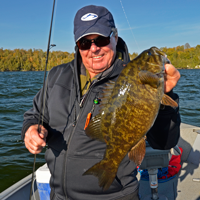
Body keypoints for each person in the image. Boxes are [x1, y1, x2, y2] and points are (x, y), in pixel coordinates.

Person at [22, 5, 181, 200]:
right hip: (59, 195)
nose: (94, 48)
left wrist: (167, 96)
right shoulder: (57, 76)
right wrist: (31, 128)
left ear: (115, 37)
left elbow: (165, 142)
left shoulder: (132, 78)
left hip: (116, 196)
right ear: (77, 45)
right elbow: (34, 114)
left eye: (101, 39)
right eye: (84, 43)